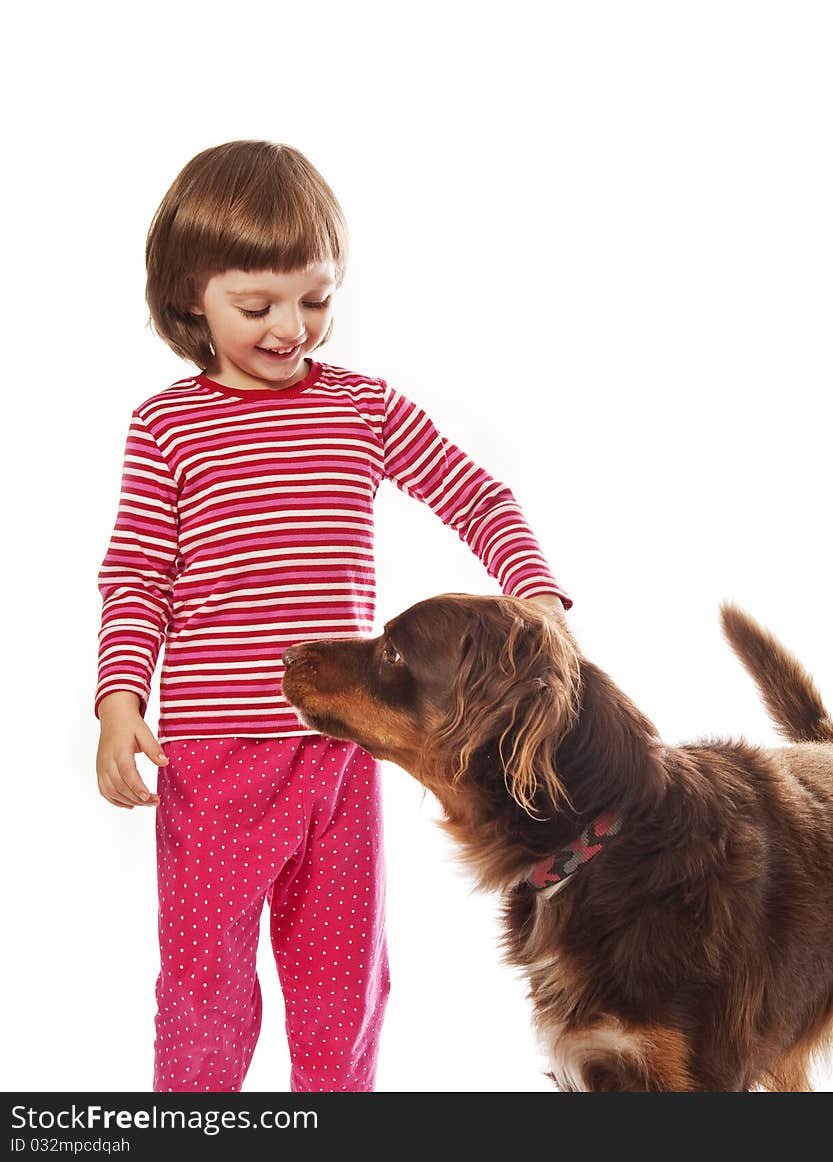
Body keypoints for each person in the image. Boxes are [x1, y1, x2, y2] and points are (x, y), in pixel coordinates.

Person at [94, 139, 572, 1093]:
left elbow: (475, 493)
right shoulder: (168, 427)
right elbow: (138, 574)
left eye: (316, 299)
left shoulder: (360, 407)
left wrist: (538, 595)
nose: (292, 329)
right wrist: (116, 701)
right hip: (215, 758)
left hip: (344, 747)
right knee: (204, 990)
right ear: (193, 295)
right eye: (257, 305)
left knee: (342, 988)